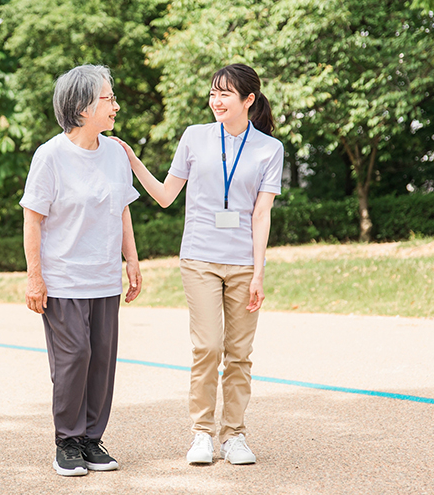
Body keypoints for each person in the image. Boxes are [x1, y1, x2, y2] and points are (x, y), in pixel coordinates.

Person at [112, 64, 283, 466]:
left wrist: (259, 272)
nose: (216, 101)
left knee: (239, 353)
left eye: (225, 94)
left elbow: (262, 214)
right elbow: (167, 196)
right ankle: (202, 434)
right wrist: (134, 161)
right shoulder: (194, 137)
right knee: (207, 347)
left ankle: (235, 436)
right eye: (213, 93)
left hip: (243, 264)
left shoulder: (268, 149)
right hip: (200, 258)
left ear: (248, 100)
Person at [20, 64, 143, 477]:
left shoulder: (115, 152)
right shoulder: (51, 155)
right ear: (82, 106)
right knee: (75, 357)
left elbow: (122, 208)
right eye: (108, 98)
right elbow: (32, 219)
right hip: (65, 279)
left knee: (102, 360)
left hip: (104, 278)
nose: (116, 106)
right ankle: (67, 442)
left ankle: (92, 439)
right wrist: (34, 277)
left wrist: (133, 261)